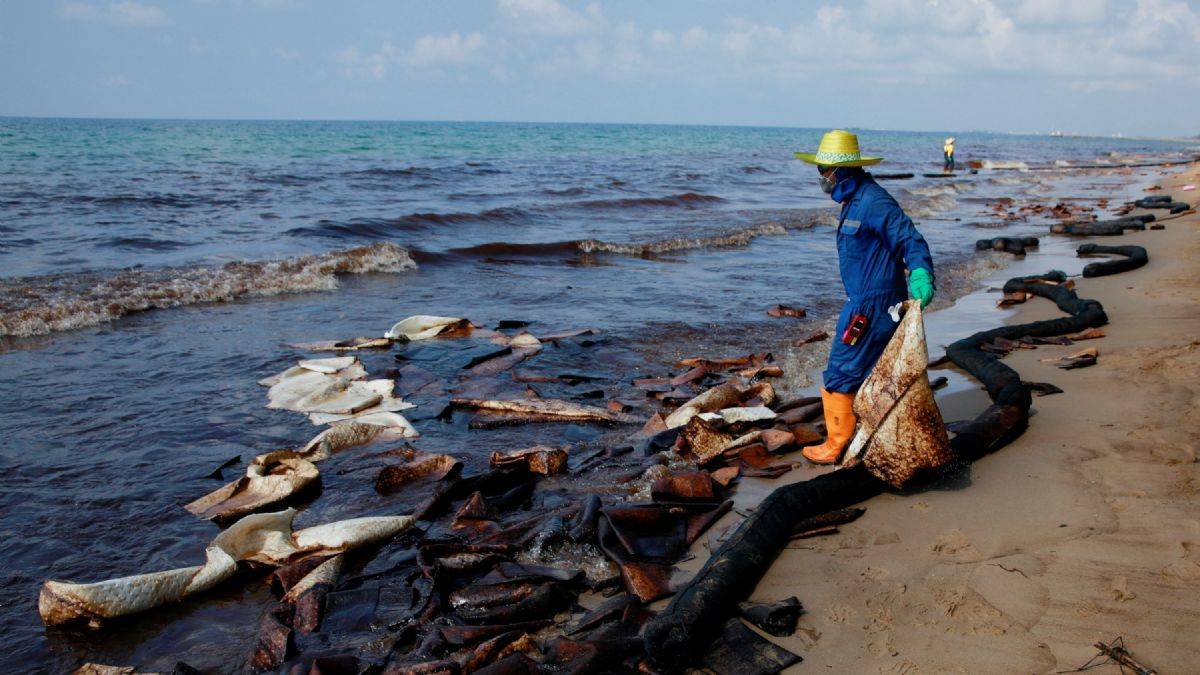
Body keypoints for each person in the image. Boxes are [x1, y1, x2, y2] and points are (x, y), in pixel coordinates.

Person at [793, 130, 936, 464]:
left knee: (841, 370)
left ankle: (837, 444)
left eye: (823, 171)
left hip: (872, 307)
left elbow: (910, 239)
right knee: (871, 370)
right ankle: (868, 433)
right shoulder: (853, 200)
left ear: (842, 171)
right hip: (867, 301)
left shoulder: (873, 201)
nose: (821, 178)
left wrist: (920, 272)